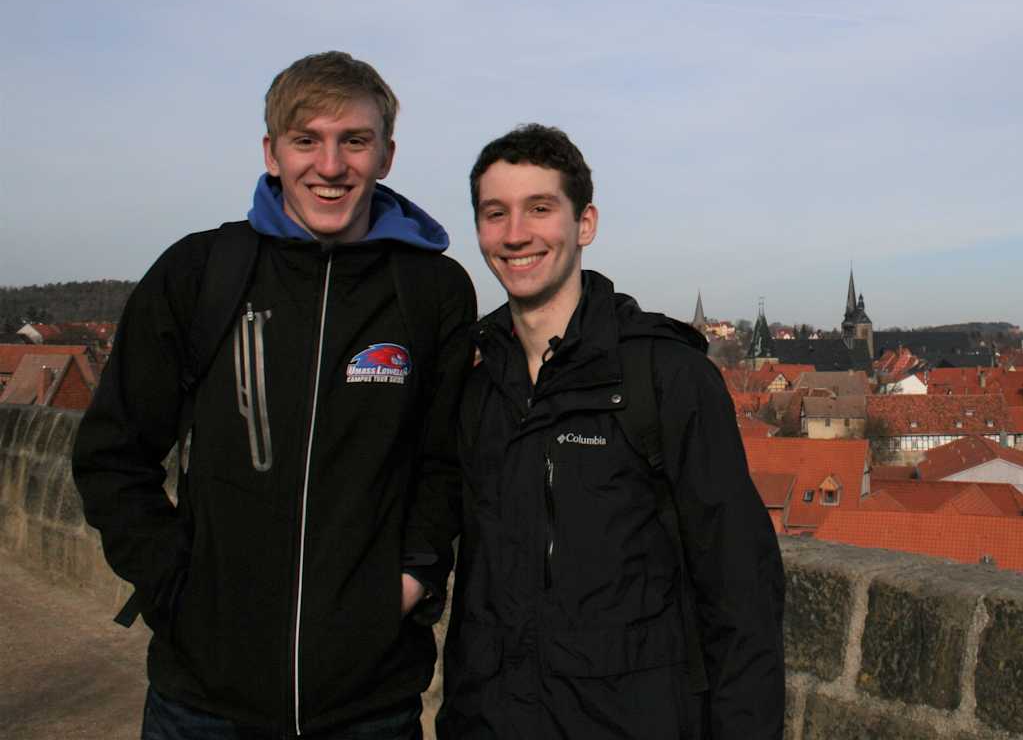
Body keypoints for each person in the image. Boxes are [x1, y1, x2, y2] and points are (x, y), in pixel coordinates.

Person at [72, 52, 477, 739]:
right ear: (271, 151)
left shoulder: (432, 290)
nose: (329, 165)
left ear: (385, 155)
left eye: (354, 140)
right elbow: (114, 454)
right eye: (305, 140)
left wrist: (411, 579)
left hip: (368, 701)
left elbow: (444, 462)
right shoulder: (200, 272)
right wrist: (178, 590)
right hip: (203, 700)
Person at [438, 124, 784, 739]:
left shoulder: (667, 377)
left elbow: (742, 593)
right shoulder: (475, 381)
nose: (515, 234)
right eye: (496, 213)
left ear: (585, 224)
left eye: (540, 209)